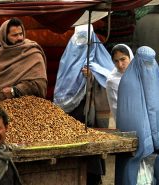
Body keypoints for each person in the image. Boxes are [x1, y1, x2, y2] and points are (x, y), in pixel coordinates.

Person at [53, 24, 114, 185]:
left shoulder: (98, 56)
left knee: (90, 149)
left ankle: (93, 180)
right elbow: (62, 83)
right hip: (69, 113)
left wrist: (92, 77)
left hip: (89, 113)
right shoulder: (68, 57)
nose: (81, 43)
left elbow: (111, 78)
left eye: (85, 39)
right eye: (78, 38)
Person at [115, 46, 159, 185]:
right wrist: (146, 140)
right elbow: (132, 117)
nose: (147, 67)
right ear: (137, 61)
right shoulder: (128, 82)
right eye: (144, 63)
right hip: (138, 142)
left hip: (156, 145)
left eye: (150, 63)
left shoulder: (157, 78)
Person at [0, 17, 47, 106]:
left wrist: (15, 90)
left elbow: (40, 85)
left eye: (21, 34)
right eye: (15, 35)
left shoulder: (33, 52)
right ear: (5, 37)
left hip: (30, 108)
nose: (20, 38)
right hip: (3, 109)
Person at [106, 44, 134, 122]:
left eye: (123, 59)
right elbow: (116, 108)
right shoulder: (112, 81)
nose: (120, 65)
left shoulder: (139, 74)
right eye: (116, 61)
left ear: (130, 58)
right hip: (126, 122)